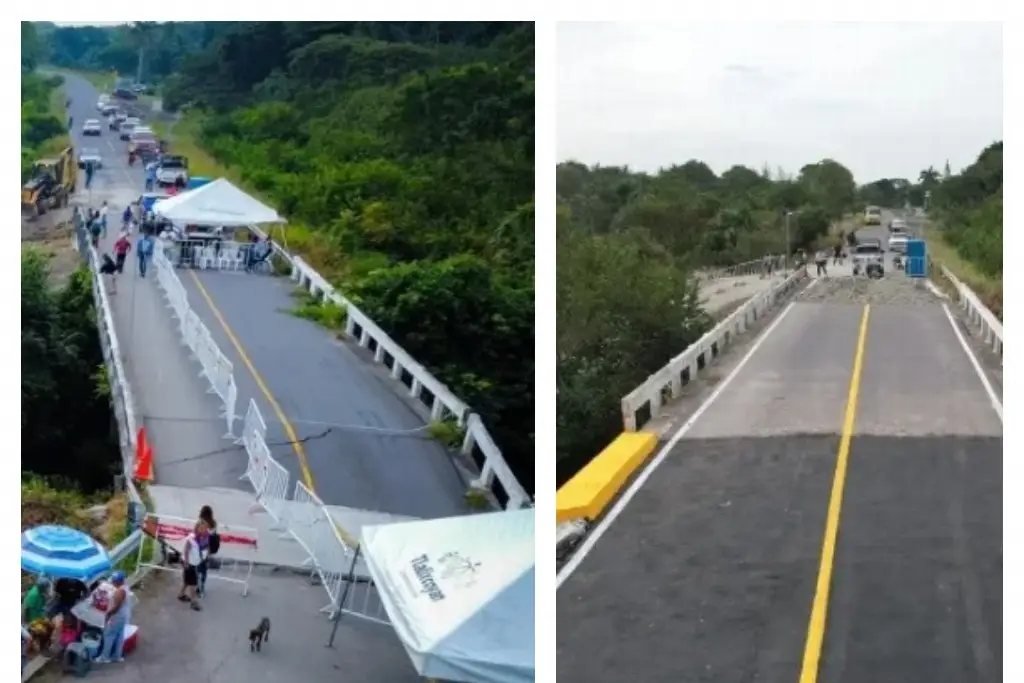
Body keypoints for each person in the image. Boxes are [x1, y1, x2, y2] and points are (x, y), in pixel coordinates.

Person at [94, 571, 132, 664]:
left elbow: (115, 607)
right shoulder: (125, 587)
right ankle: (117, 656)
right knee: (119, 634)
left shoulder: (119, 591)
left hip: (117, 616)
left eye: (114, 581)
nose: (112, 582)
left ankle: (104, 657)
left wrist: (107, 614)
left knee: (109, 635)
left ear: (118, 582)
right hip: (124, 615)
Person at [178, 520, 207, 611]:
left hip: (193, 564)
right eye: (201, 528)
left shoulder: (201, 539)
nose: (202, 530)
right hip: (189, 564)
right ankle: (194, 602)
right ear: (196, 528)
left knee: (187, 581)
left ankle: (181, 595)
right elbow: (186, 550)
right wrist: (186, 563)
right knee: (193, 584)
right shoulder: (192, 538)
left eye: (204, 528)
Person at [197, 505, 219, 597]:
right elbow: (213, 535)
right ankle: (202, 587)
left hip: (200, 547)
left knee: (198, 567)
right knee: (204, 569)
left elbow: (197, 534)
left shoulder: (200, 522)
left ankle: (197, 587)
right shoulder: (214, 523)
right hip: (208, 549)